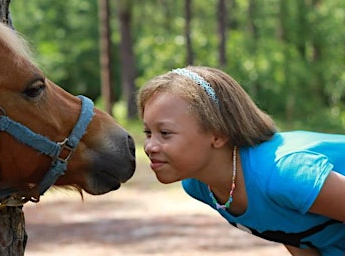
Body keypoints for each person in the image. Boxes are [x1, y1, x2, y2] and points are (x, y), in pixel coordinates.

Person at [136, 66, 345, 255]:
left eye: (165, 133)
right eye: (148, 133)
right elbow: (292, 230)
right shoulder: (199, 185)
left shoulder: (284, 174)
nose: (150, 146)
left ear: (218, 134)